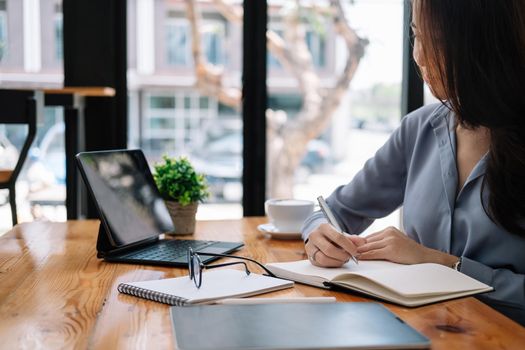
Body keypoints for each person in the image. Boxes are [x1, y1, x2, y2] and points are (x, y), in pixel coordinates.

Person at [302, 0, 525, 325]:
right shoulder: (420, 128)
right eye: (416, 36)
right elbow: (333, 211)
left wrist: (446, 266)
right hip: (422, 333)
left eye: (436, 41)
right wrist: (318, 235)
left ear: (483, 45)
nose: (419, 57)